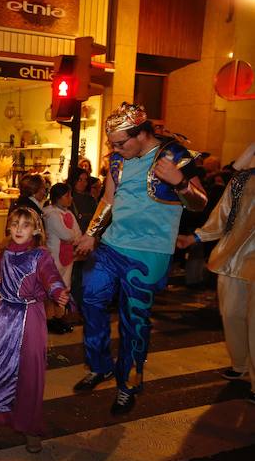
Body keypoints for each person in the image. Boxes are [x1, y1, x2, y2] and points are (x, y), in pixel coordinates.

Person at [73, 102, 207, 414]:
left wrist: (181, 182)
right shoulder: (119, 160)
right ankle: (100, 365)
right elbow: (108, 199)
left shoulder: (175, 156)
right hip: (111, 246)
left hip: (148, 254)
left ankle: (127, 385)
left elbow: (199, 204)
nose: (116, 150)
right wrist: (92, 234)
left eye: (121, 143)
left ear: (143, 134)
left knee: (134, 322)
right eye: (113, 144)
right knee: (90, 297)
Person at [0, 207, 69, 453]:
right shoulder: (5, 254)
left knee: (28, 373)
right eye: (15, 223)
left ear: (36, 230)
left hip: (30, 318)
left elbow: (50, 277)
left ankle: (31, 428)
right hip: (3, 318)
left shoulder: (40, 256)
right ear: (8, 227)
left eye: (26, 225)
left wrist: (58, 292)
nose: (19, 229)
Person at [176, 142, 254, 401]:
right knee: (231, 314)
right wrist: (195, 238)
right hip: (232, 258)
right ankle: (240, 364)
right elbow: (221, 216)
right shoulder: (240, 180)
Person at [43, 183, 80, 334]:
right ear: (58, 198)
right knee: (52, 289)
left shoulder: (69, 214)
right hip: (54, 257)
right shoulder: (51, 215)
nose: (70, 198)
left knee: (64, 287)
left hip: (68, 257)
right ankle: (49, 319)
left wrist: (72, 237)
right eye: (67, 196)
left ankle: (59, 317)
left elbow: (78, 235)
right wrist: (71, 236)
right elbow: (67, 235)